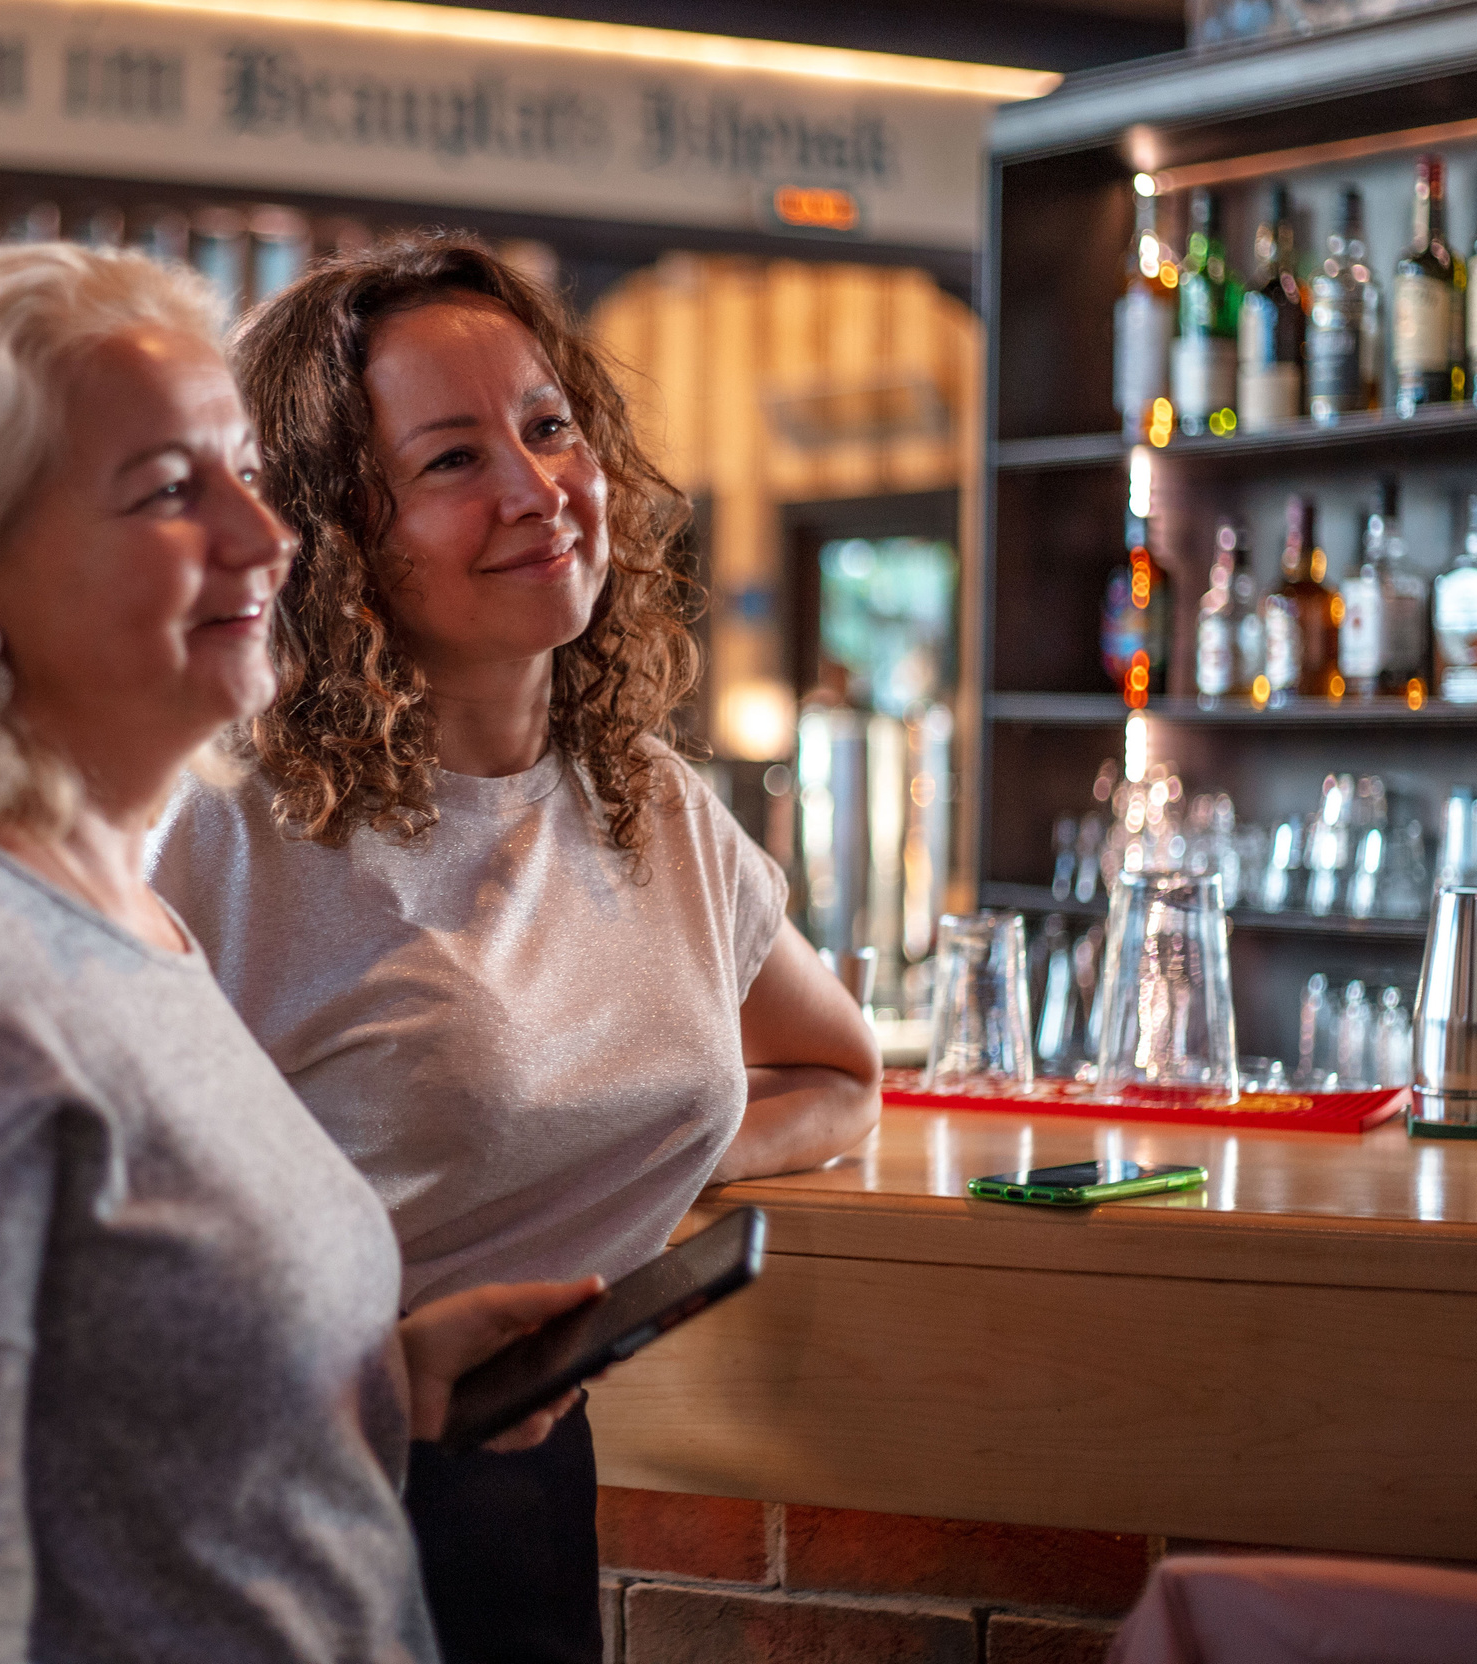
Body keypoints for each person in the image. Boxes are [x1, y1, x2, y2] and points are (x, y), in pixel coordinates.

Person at [0, 242, 601, 1664]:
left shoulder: (121, 913)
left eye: (242, 470)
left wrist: (382, 1384)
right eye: (173, 492)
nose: (269, 534)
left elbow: (112, 1440)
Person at [148, 234, 883, 1664]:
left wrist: (621, 1169)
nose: (538, 490)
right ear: (335, 534)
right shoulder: (226, 829)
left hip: (523, 1468)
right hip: (272, 1496)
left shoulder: (653, 804)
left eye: (549, 429)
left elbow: (839, 1074)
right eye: (450, 461)